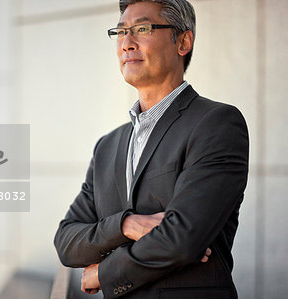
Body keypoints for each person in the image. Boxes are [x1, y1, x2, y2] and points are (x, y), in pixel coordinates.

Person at [53, 0, 249, 298]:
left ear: (183, 41)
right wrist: (126, 224)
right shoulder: (108, 146)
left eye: (142, 29)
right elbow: (67, 242)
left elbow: (183, 239)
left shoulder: (216, 124)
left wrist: (102, 273)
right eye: (120, 33)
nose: (127, 43)